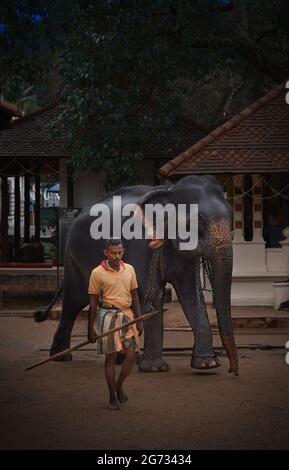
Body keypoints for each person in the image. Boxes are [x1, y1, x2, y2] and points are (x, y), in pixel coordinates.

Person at [87, 238, 143, 410]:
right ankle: (112, 397)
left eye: (120, 252)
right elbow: (93, 303)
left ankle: (118, 386)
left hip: (128, 315)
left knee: (132, 355)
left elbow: (135, 296)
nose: (117, 256)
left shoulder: (130, 269)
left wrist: (139, 320)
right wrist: (90, 329)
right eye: (113, 253)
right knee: (110, 358)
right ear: (106, 253)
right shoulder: (97, 273)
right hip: (107, 316)